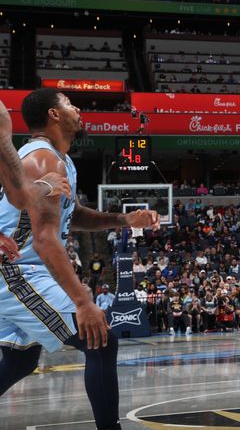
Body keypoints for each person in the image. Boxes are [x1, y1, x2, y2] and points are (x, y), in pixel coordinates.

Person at [0, 88, 160, 430]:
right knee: (100, 339)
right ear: (54, 115)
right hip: (16, 271)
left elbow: (71, 218)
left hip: (20, 271)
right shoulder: (43, 159)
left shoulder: (60, 160)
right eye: (69, 104)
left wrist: (124, 220)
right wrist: (83, 301)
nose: (78, 109)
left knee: (19, 362)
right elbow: (44, 238)